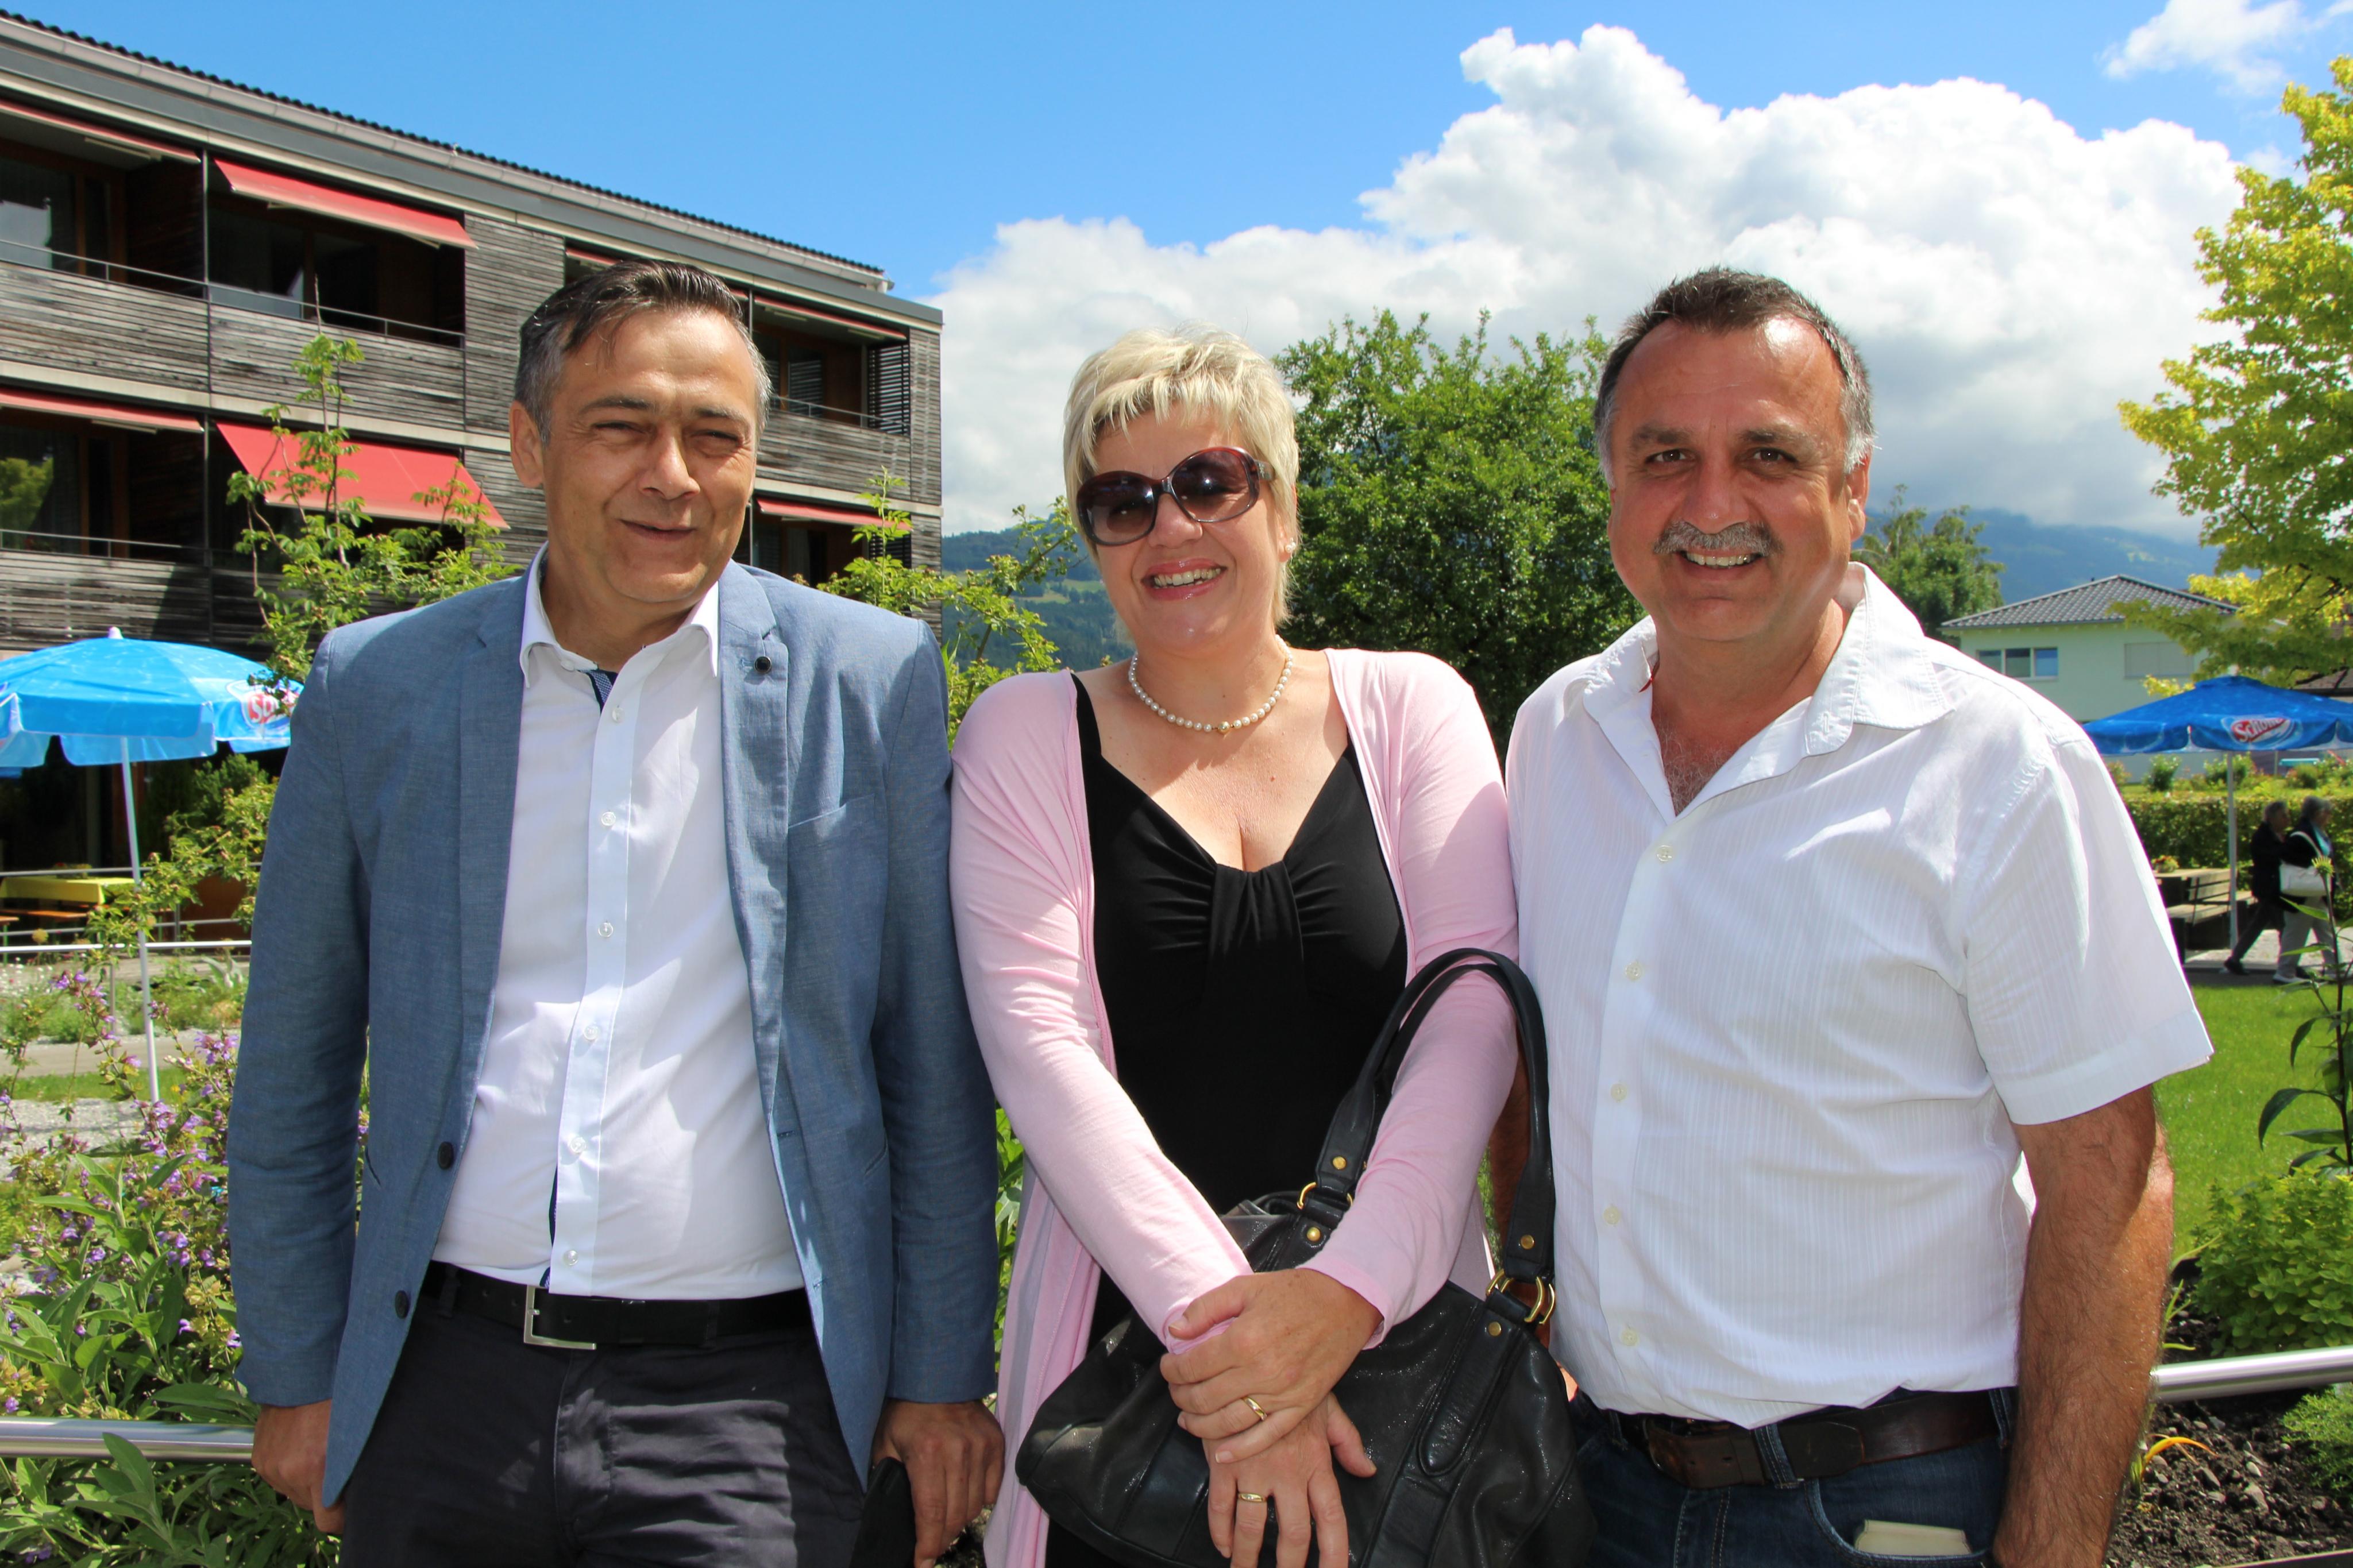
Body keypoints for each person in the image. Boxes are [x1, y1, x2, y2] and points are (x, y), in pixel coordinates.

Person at [228, 260, 1004, 1567]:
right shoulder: (379, 686)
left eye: (716, 436)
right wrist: (299, 1373)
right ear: (531, 444)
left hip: (752, 1413)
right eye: (622, 427)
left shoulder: (868, 680)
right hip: (440, 1391)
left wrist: (937, 1378)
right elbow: (291, 1062)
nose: (673, 476)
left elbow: (930, 1061)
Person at [1500, 268, 2212, 1567]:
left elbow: (2110, 1188)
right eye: (1665, 456)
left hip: (1887, 1510)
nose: (1711, 505)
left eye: (1769, 455)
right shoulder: (1558, 734)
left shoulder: (1999, 768)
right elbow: (1527, 1068)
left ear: (1854, 487)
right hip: (1600, 1488)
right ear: (1611, 484)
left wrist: (2050, 1550)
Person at [949, 326, 1519, 1568]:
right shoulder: (1022, 736)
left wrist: (1341, 1300)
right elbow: (1042, 1056)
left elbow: (1470, 1022)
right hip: (1124, 1387)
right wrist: (1245, 1367)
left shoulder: (1413, 708)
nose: (1170, 527)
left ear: (1284, 508)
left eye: (1210, 482)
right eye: (1122, 501)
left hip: (1397, 1357)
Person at [2278, 793, 2338, 983]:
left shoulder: (2318, 833)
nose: (2330, 817)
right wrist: (2313, 867)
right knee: (2296, 933)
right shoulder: (2301, 834)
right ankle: (2285, 973)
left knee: (2327, 931)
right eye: (2328, 813)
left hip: (2317, 893)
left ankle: (2334, 969)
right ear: (2319, 813)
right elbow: (2286, 856)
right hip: (2302, 894)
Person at [2224, 800, 2289, 975]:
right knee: (2284, 926)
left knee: (2258, 924)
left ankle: (2235, 958)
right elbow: (2269, 859)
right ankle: (2289, 963)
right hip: (2269, 888)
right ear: (2272, 818)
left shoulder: (2279, 836)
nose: (2287, 820)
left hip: (2273, 887)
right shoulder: (2263, 837)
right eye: (2283, 816)